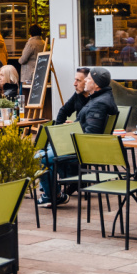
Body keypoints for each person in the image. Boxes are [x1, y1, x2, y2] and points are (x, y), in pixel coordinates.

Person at [37, 67, 115, 206]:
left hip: (83, 149)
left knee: (40, 158)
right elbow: (89, 127)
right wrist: (73, 126)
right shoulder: (99, 98)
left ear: (96, 84)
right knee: (44, 150)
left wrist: (69, 133)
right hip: (80, 144)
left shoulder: (99, 103)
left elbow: (90, 136)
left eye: (88, 79)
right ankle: (56, 189)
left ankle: (54, 195)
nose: (85, 82)